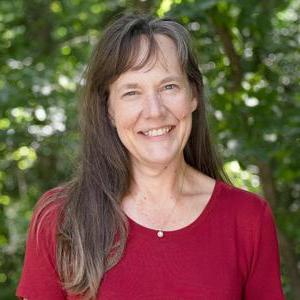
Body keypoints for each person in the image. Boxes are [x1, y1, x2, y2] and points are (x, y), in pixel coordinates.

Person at [17, 14, 285, 300]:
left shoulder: (247, 219)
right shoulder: (60, 218)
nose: (155, 111)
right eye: (132, 92)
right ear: (109, 109)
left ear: (193, 94)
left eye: (169, 86)